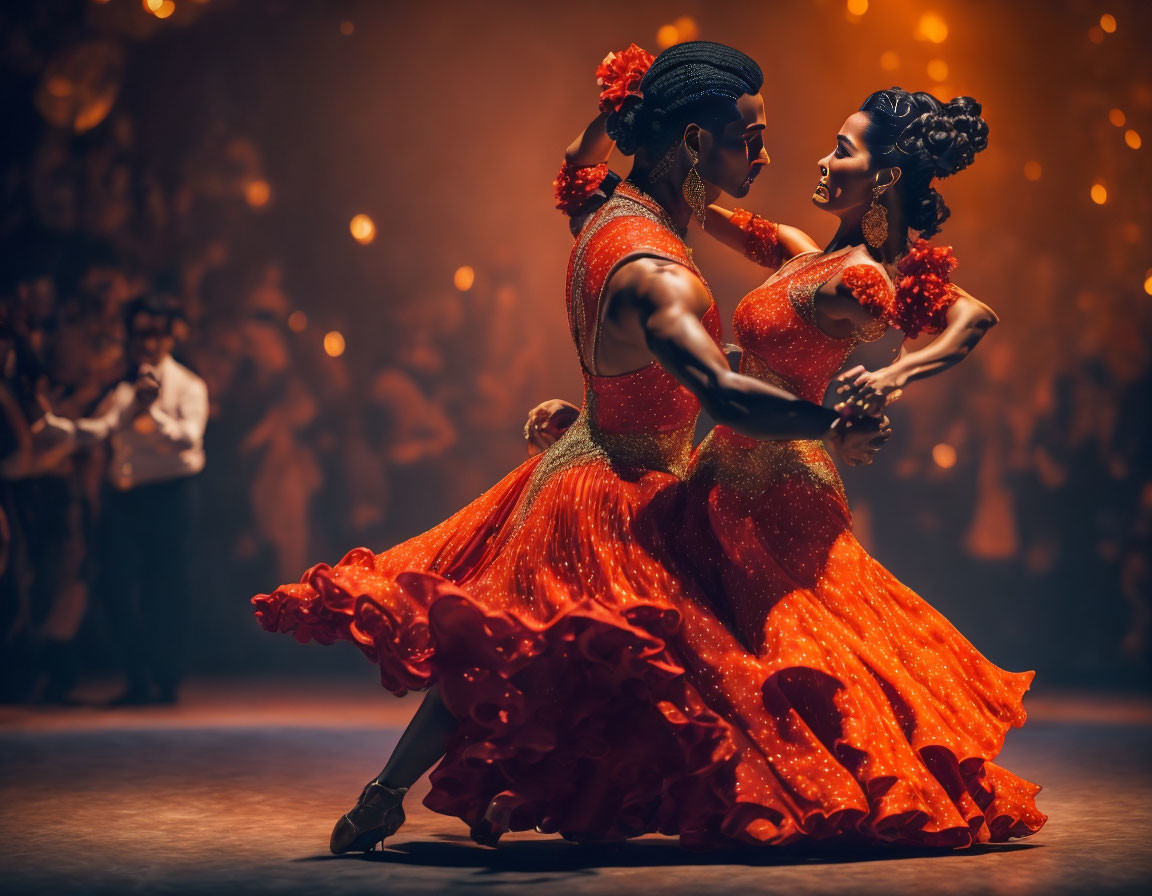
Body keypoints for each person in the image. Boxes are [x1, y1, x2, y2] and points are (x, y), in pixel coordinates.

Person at [252, 41, 885, 853]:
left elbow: (576, 164)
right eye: (746, 138)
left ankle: (386, 798)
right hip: (618, 488)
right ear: (693, 143)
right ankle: (771, 794)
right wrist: (826, 424)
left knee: (529, 639)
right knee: (626, 648)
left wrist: (617, 109)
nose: (764, 153)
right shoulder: (663, 275)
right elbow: (722, 396)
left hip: (589, 455)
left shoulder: (605, 216)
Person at [534, 87, 1047, 845]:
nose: (822, 157)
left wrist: (896, 375)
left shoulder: (861, 280)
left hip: (782, 482)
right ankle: (701, 791)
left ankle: (821, 793)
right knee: (720, 657)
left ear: (886, 180)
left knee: (788, 653)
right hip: (722, 472)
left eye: (844, 150)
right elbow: (688, 203)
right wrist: (640, 138)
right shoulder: (804, 252)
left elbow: (971, 315)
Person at [38, 293, 208, 704]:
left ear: (170, 336)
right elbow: (101, 429)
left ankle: (163, 680)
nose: (147, 343)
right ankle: (138, 677)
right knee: (117, 584)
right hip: (126, 499)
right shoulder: (127, 388)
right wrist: (55, 425)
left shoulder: (188, 386)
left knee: (165, 589)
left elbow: (190, 439)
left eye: (155, 333)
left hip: (170, 496)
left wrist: (154, 415)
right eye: (139, 334)